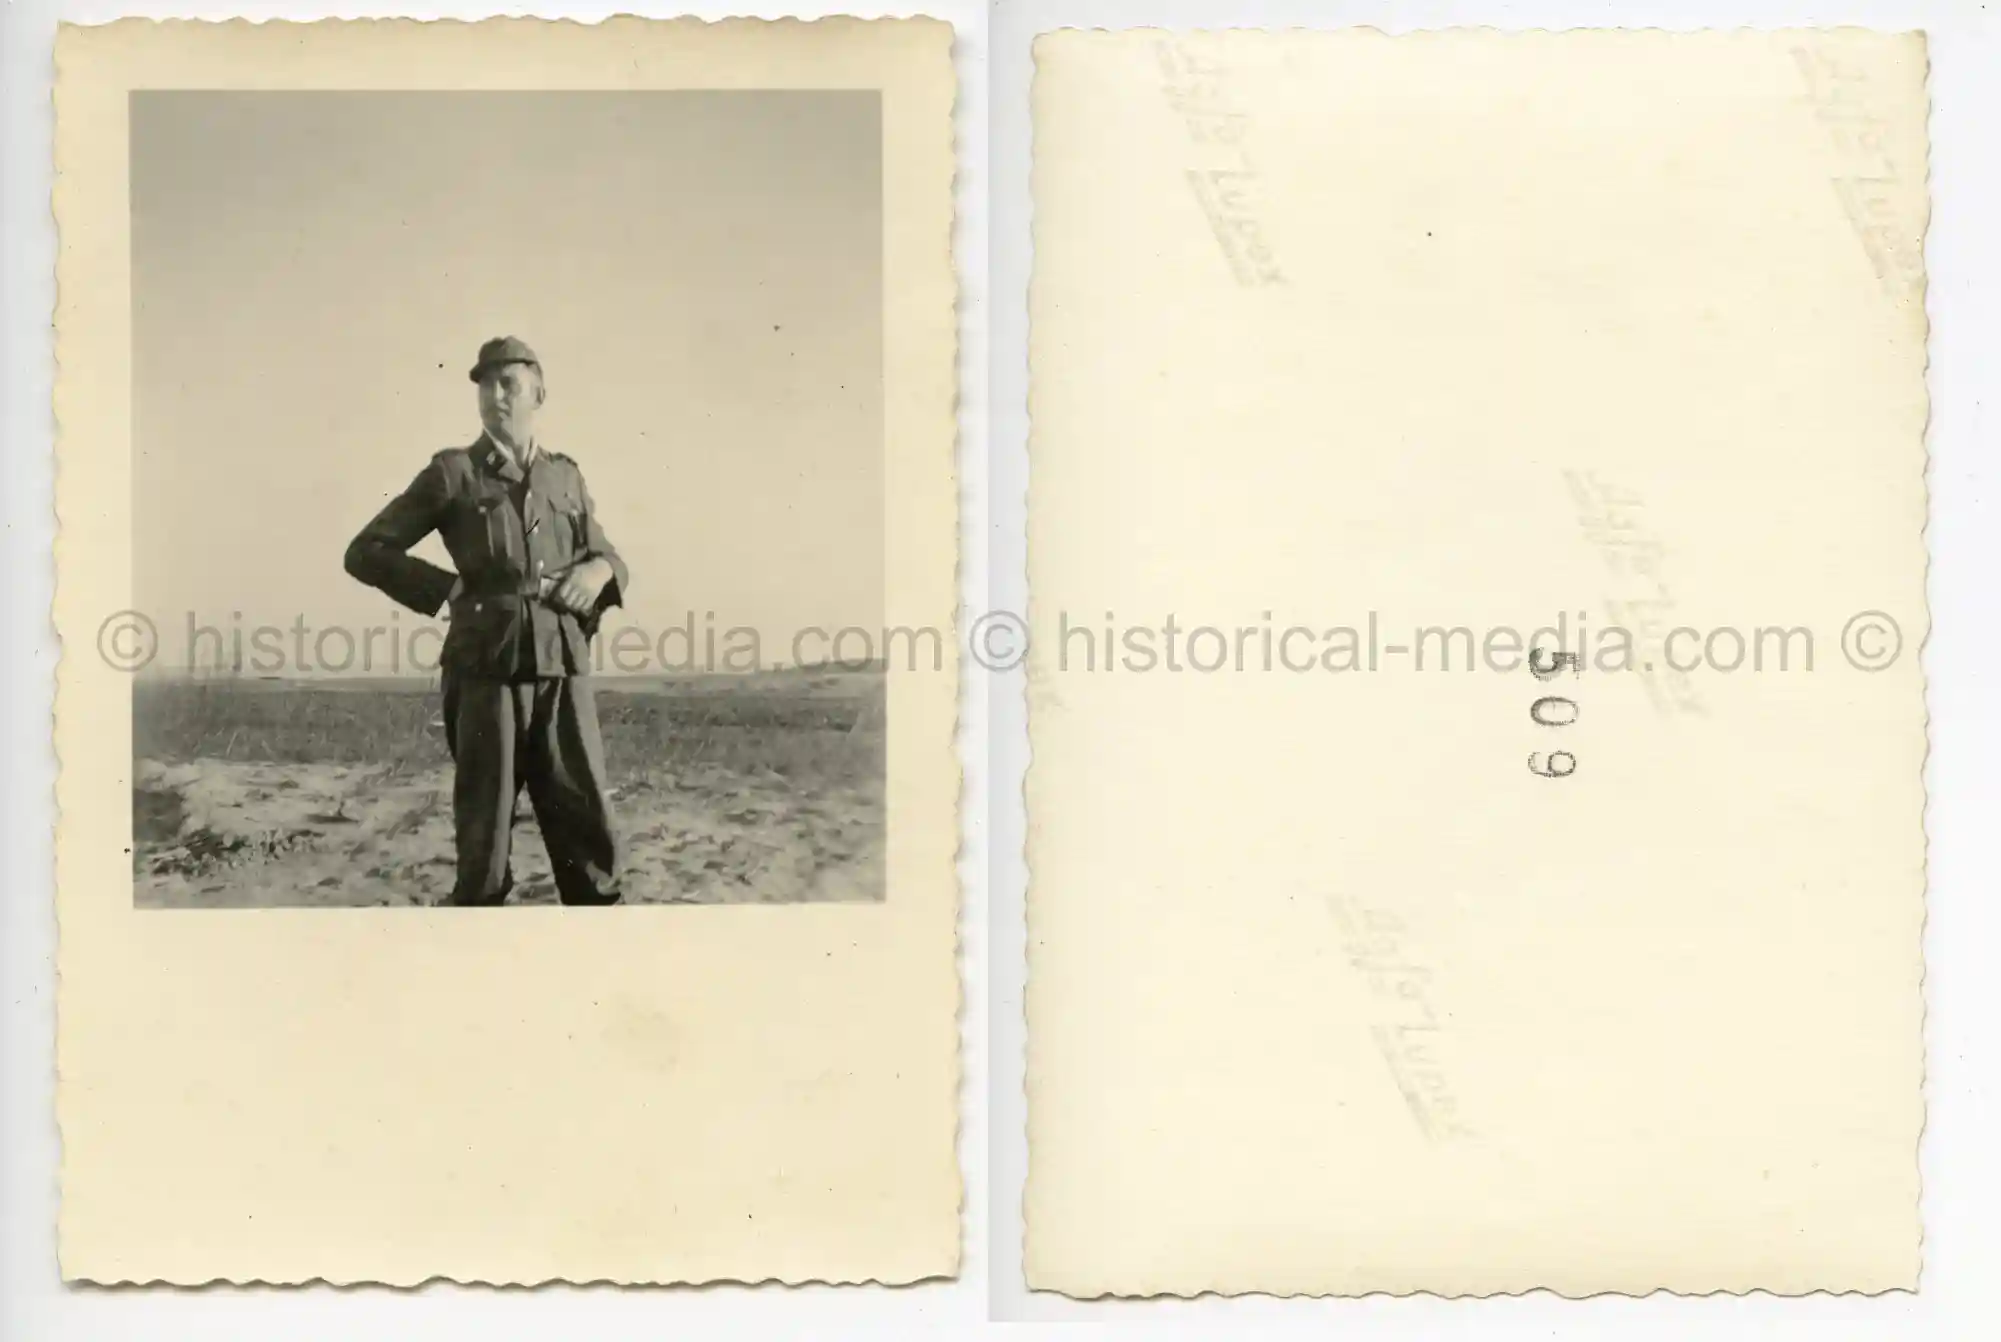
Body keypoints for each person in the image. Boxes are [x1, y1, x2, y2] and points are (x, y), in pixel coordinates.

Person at [343, 336, 628, 905]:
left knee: (588, 833)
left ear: (539, 391)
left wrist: (599, 572)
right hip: (485, 671)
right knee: (484, 843)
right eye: (484, 383)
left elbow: (607, 554)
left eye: (508, 382)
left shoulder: (564, 477)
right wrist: (446, 588)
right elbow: (367, 550)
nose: (495, 394)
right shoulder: (455, 473)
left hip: (562, 670)